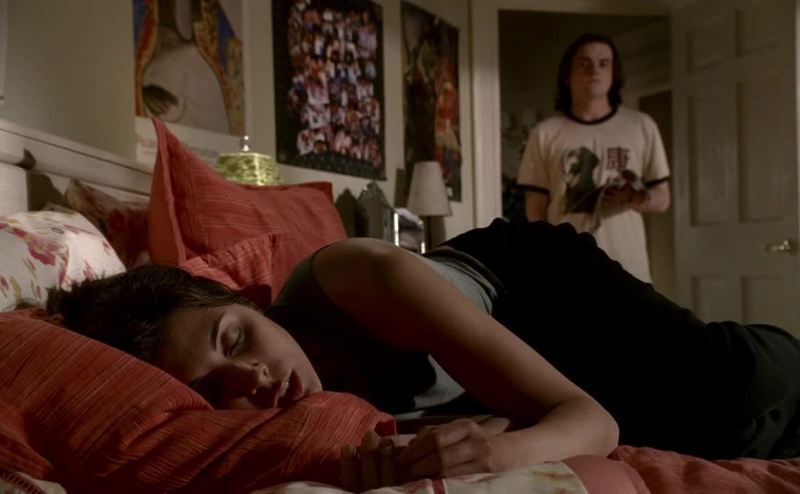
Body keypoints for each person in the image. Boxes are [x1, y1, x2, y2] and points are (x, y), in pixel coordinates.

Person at [47, 219, 800, 488]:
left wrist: (503, 449)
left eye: (235, 339)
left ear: (250, 301)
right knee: (705, 438)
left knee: (732, 386)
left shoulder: (359, 276)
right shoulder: (291, 429)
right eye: (217, 391)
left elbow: (588, 421)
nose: (254, 379)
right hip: (511, 372)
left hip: (535, 289)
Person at [517, 33, 671, 283]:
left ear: (613, 74)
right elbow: (536, 208)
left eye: (603, 63)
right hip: (568, 268)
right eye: (584, 63)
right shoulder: (545, 133)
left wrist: (633, 197)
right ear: (567, 75)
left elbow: (663, 198)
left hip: (629, 268)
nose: (594, 70)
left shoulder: (641, 126)